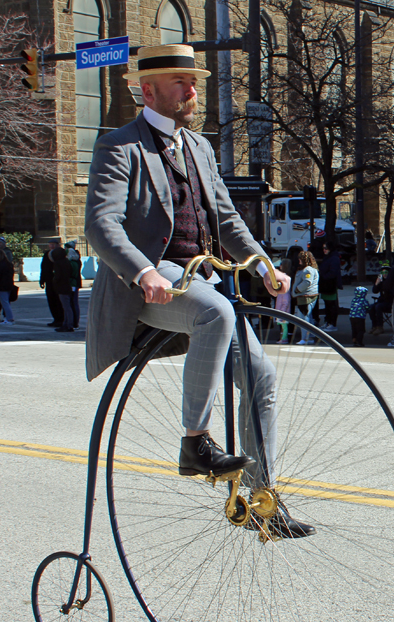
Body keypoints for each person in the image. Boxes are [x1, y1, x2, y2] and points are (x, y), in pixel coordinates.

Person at [84, 44, 314, 539]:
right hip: (154, 282)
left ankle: (261, 499)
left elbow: (227, 219)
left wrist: (264, 264)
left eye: (194, 82)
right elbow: (101, 225)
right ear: (147, 90)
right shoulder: (120, 146)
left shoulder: (201, 148)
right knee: (214, 311)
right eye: (179, 83)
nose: (192, 91)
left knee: (261, 376)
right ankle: (196, 442)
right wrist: (144, 271)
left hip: (201, 274)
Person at [291, 250, 319, 345]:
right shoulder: (311, 269)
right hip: (307, 296)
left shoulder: (307, 270)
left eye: (300, 258)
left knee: (303, 318)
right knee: (308, 317)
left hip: (305, 297)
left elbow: (307, 282)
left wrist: (297, 290)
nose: (299, 260)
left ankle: (305, 338)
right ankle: (310, 337)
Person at [318, 241, 342, 331]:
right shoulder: (328, 257)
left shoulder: (334, 258)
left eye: (326, 248)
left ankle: (332, 323)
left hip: (330, 284)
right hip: (326, 285)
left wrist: (323, 277)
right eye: (323, 248)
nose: (324, 250)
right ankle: (328, 322)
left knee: (331, 305)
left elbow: (333, 272)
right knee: (327, 305)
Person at [40, 239, 64, 327]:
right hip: (49, 281)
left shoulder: (61, 254)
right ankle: (56, 319)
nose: (51, 246)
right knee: (51, 300)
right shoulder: (46, 255)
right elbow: (43, 268)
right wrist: (42, 280)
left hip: (58, 281)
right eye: (50, 244)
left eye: (53, 244)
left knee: (59, 301)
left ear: (58, 245)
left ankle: (61, 319)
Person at [51, 246, 74, 333]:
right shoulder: (67, 262)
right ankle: (67, 323)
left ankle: (68, 324)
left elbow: (57, 276)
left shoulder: (57, 263)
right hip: (67, 285)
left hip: (61, 286)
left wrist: (54, 282)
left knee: (66, 307)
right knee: (67, 306)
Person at [368, 261, 392, 335]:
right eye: (383, 272)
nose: (384, 274)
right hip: (382, 301)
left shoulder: (391, 281)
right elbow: (375, 291)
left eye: (386, 272)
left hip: (390, 302)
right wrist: (376, 284)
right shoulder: (381, 281)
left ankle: (380, 327)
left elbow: (388, 291)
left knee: (378, 307)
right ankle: (374, 326)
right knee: (371, 307)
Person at [0, 249, 15, 325]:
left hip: (2, 286)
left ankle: (9, 318)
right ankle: (8, 318)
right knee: (6, 302)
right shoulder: (9, 264)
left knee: (5, 303)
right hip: (9, 285)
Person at [65, 240, 82, 329]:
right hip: (75, 283)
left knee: (72, 302)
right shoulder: (77, 261)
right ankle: (75, 321)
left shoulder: (72, 262)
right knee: (74, 302)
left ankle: (73, 321)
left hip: (72, 283)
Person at [275, 258, 292, 344]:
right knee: (283, 326)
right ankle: (283, 338)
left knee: (284, 326)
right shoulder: (288, 277)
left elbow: (285, 300)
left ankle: (284, 338)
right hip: (282, 308)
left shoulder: (284, 279)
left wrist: (282, 311)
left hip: (282, 309)